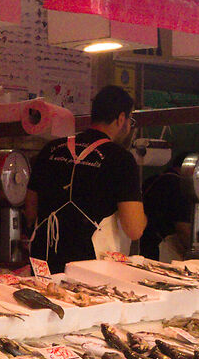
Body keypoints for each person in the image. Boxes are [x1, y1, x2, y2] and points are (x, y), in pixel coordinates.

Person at [28, 85, 146, 269]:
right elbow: (134, 229)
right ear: (121, 118)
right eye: (130, 120)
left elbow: (30, 211)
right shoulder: (121, 159)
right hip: (91, 270)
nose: (129, 126)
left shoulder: (50, 149)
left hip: (43, 262)